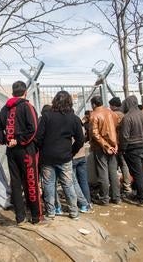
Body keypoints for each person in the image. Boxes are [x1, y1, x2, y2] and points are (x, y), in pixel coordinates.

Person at [0, 81, 42, 224]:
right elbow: (33, 129)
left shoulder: (5, 109)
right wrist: (19, 140)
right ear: (25, 92)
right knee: (31, 181)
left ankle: (20, 217)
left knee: (15, 182)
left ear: (13, 93)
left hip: (12, 151)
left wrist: (7, 140)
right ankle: (35, 216)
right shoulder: (27, 107)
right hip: (26, 150)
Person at [36, 91, 84, 219]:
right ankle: (74, 212)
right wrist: (72, 152)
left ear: (55, 101)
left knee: (48, 184)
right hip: (65, 157)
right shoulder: (73, 118)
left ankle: (51, 212)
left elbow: (38, 138)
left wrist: (42, 149)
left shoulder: (46, 116)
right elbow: (80, 140)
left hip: (47, 157)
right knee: (68, 184)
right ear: (69, 102)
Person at [89, 96, 121, 205]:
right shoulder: (112, 113)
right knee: (113, 172)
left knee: (103, 172)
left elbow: (95, 133)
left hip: (100, 147)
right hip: (113, 146)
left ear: (93, 104)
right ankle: (116, 197)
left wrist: (106, 145)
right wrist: (114, 144)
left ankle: (104, 198)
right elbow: (116, 128)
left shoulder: (94, 115)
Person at [119, 96, 143, 204]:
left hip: (132, 148)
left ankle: (142, 197)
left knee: (137, 173)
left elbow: (125, 136)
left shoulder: (127, 117)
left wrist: (122, 149)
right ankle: (140, 194)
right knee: (140, 171)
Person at [109, 97, 132, 193]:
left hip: (114, 143)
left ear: (114, 106)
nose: (109, 107)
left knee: (113, 166)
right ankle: (127, 185)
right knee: (124, 165)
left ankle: (115, 187)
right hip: (123, 143)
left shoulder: (112, 115)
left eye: (110, 105)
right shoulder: (124, 115)